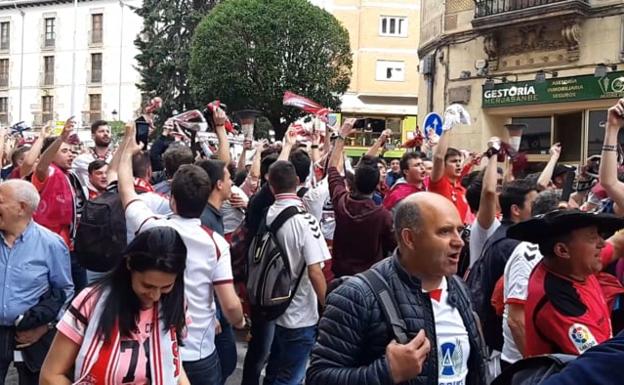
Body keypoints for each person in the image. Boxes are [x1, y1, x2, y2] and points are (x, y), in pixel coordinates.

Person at [306, 192, 487, 385]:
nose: (459, 241)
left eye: (460, 231)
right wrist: (386, 372)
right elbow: (318, 377)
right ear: (409, 238)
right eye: (444, 231)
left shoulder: (458, 287)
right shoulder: (357, 296)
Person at [117, 122, 244, 385]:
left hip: (155, 347)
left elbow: (126, 190)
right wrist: (240, 322)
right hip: (198, 351)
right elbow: (230, 305)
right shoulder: (217, 243)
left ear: (172, 199)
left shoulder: (152, 228)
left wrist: (127, 151)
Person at [40, 227, 191, 385]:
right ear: (129, 264)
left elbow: (172, 362)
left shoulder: (175, 302)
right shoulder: (92, 302)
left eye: (166, 287)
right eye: (147, 286)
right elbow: (50, 375)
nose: (155, 296)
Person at [507, 209, 624, 356]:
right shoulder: (558, 301)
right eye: (592, 237)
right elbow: (601, 362)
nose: (602, 243)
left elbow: (618, 243)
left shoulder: (574, 266)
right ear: (562, 250)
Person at [259, 160, 331, 385]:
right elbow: (315, 271)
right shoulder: (304, 220)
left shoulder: (268, 214)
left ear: (271, 186)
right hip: (301, 313)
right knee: (292, 377)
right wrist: (327, 306)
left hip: (275, 306)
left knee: (274, 371)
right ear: (298, 182)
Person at [0, 180, 74, 385]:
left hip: (32, 334)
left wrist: (46, 326)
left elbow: (65, 290)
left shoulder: (51, 244)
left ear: (21, 207)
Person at [327, 118, 395, 277]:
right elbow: (394, 245)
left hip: (340, 276)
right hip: (370, 279)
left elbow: (332, 169)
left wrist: (341, 136)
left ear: (353, 181)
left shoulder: (340, 201)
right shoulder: (382, 215)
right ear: (377, 183)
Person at [32, 118, 88, 291]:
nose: (71, 154)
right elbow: (42, 165)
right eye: (64, 151)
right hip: (49, 247)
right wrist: (61, 137)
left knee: (80, 294)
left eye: (72, 151)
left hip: (73, 247)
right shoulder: (47, 172)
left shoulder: (71, 176)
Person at [430, 128, 470, 222]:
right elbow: (439, 157)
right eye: (453, 161)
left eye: (459, 161)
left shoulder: (462, 190)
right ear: (443, 165)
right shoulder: (439, 184)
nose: (458, 164)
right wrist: (447, 129)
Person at [72, 120, 113, 189]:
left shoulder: (115, 159)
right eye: (101, 131)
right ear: (93, 136)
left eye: (107, 131)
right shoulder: (81, 159)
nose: (106, 134)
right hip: (89, 198)